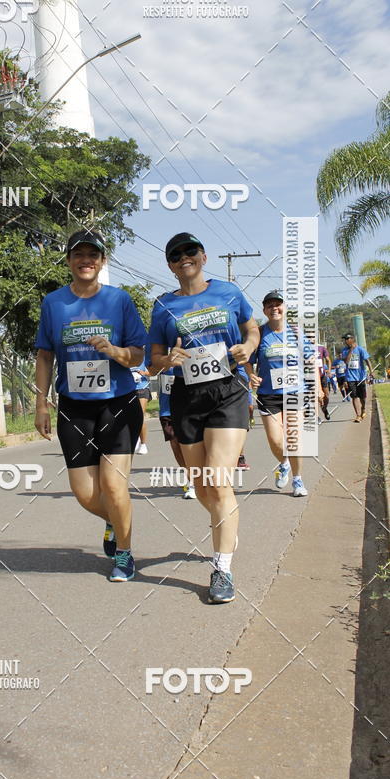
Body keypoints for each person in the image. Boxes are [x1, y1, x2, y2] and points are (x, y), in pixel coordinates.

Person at [149, 232, 259, 604]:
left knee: (218, 481)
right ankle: (225, 523)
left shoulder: (228, 291)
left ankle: (222, 568)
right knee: (201, 487)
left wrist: (248, 347)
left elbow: (252, 327)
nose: (184, 258)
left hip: (228, 390)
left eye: (190, 251)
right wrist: (168, 361)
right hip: (186, 396)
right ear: (170, 265)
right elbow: (153, 362)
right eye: (176, 255)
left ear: (203, 256)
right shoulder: (162, 306)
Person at [34, 229, 147, 582]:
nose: (86, 261)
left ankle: (125, 554)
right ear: (68, 261)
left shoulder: (120, 300)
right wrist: (41, 402)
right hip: (73, 406)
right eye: (79, 255)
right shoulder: (53, 303)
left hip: (118, 402)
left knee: (114, 487)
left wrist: (114, 351)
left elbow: (139, 353)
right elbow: (44, 353)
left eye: (93, 255)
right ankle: (116, 519)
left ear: (103, 261)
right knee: (85, 494)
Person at [246, 290, 321, 498]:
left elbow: (310, 361)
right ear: (264, 310)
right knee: (276, 441)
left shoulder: (296, 333)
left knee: (294, 439)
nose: (274, 308)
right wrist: (252, 375)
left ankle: (298, 480)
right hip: (268, 394)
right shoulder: (259, 334)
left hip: (295, 392)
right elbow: (247, 362)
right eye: (269, 305)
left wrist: (318, 388)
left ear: (284, 307)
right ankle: (284, 462)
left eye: (278, 304)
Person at [152, 364, 196, 499]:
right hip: (167, 409)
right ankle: (191, 479)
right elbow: (150, 368)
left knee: (192, 446)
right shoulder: (159, 347)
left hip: (189, 406)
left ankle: (197, 480)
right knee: (175, 445)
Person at [340, 333, 374, 422]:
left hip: (360, 377)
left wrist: (371, 371)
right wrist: (351, 349)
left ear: (352, 339)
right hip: (350, 377)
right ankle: (358, 415)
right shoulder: (344, 350)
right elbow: (347, 362)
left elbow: (367, 361)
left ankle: (363, 408)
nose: (346, 341)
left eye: (347, 339)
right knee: (354, 396)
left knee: (362, 397)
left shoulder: (360, 349)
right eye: (345, 339)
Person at [131, 347, 151, 454]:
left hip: (142, 387)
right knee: (130, 417)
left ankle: (143, 444)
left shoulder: (145, 353)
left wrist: (144, 373)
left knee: (140, 415)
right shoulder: (124, 351)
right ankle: (136, 440)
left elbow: (153, 370)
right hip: (128, 389)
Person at [317, 342, 331, 421]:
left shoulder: (321, 347)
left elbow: (328, 360)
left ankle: (324, 409)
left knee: (326, 395)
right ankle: (316, 416)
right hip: (311, 376)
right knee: (315, 397)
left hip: (322, 375)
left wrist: (328, 370)